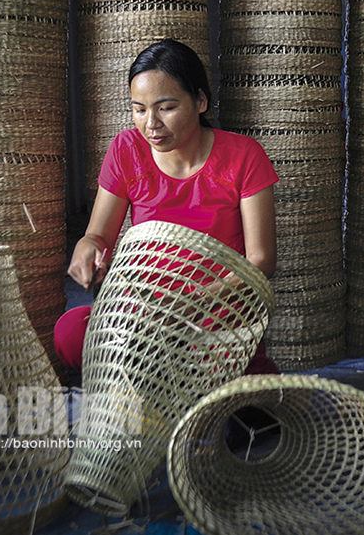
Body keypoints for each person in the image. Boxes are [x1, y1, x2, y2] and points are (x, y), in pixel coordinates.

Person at [55, 38, 280, 374]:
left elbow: (261, 260)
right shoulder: (126, 149)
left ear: (200, 101)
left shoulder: (243, 156)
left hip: (216, 310)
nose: (151, 124)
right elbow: (98, 236)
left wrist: (191, 301)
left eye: (166, 108)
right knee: (71, 333)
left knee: (231, 377)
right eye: (139, 109)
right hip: (144, 311)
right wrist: (86, 250)